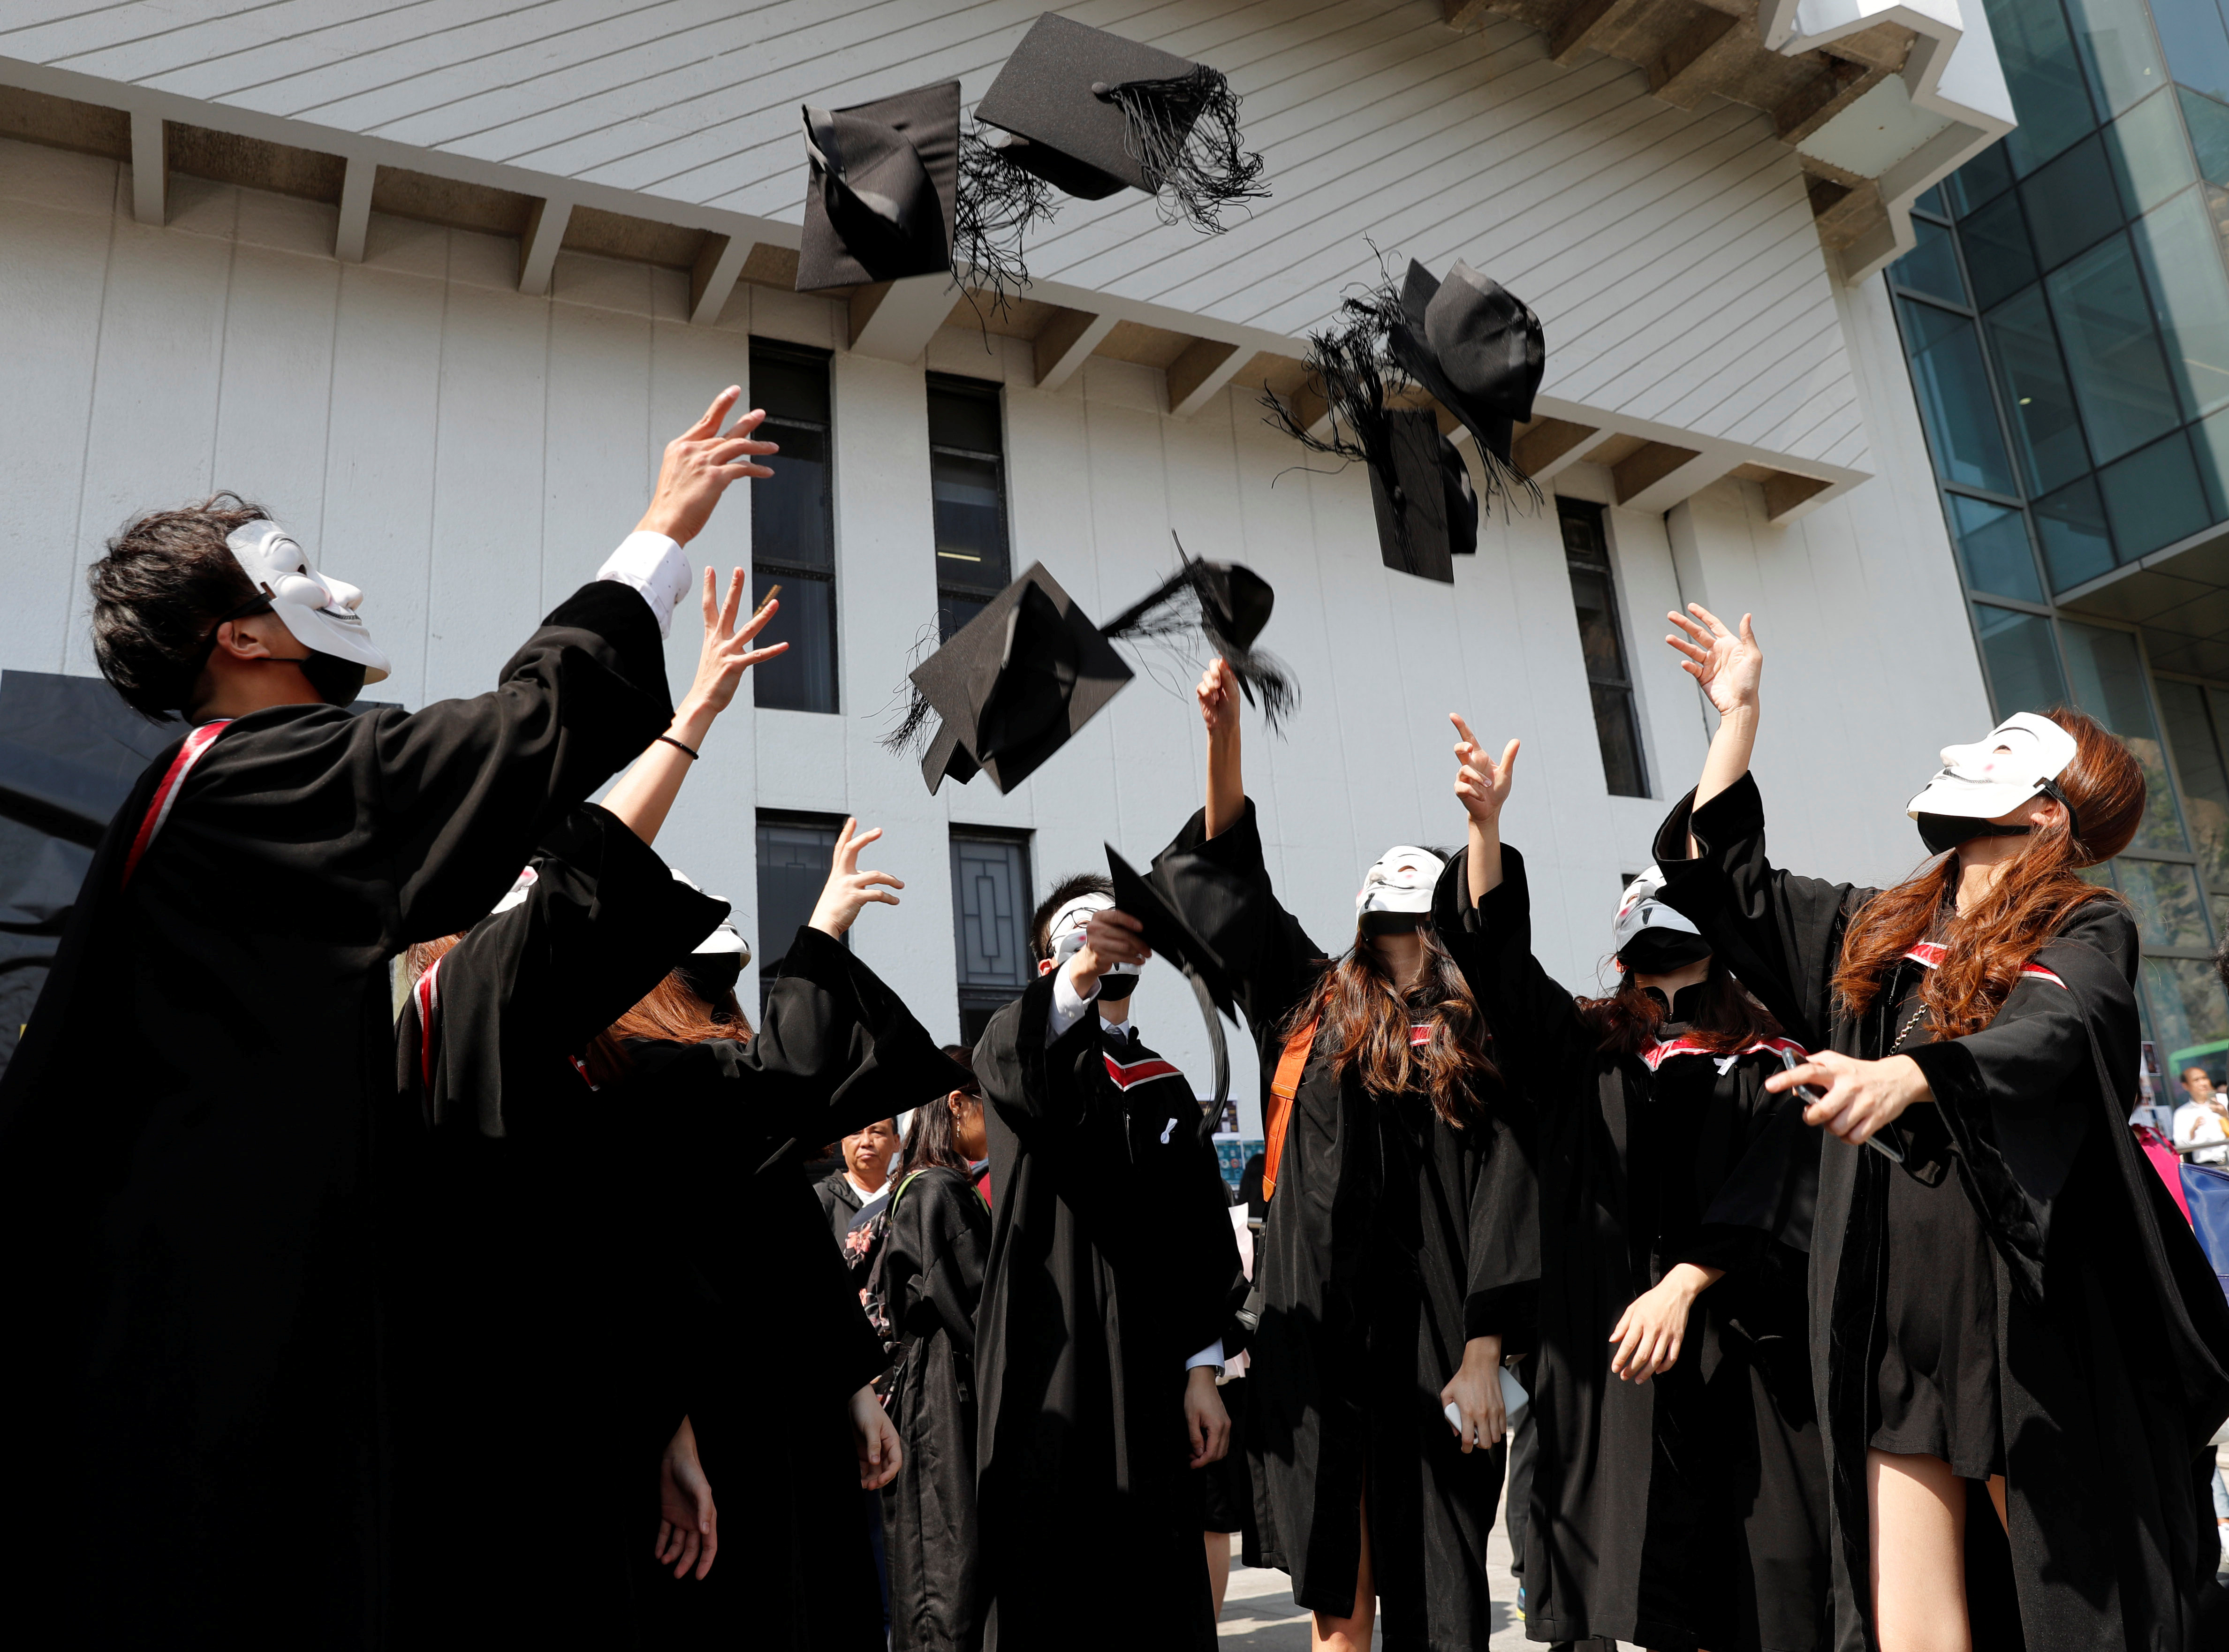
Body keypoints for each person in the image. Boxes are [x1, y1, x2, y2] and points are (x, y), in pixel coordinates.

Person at [0, 387, 777, 1645]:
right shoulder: (238, 782)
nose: (340, 591)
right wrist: (660, 533)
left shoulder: (206, 812)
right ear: (239, 635)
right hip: (217, 1379)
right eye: (294, 570)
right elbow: (524, 736)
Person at [1653, 603, 2229, 1650]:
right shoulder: (1876, 929)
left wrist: (1913, 1077)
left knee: (2072, 1596)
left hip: (2022, 1310)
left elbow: (2062, 1028)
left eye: (2008, 751)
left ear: (2049, 814)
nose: (1969, 752)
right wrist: (1736, 716)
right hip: (1888, 1306)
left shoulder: (2084, 926)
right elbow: (1730, 884)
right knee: (1910, 1615)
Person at [387, 565, 782, 1643]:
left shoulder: (490, 1041)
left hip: (541, 1427)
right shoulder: (463, 997)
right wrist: (692, 716)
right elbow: (588, 873)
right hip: (502, 1444)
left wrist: (668, 1436)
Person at [1161, 659, 1539, 1652]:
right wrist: (1223, 742)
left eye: (1420, 922)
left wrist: (1487, 1349)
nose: (1400, 937)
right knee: (1341, 1596)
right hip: (1327, 1344)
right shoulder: (1314, 1008)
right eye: (1386, 921)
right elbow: (1233, 880)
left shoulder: (1479, 1032)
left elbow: (1510, 1182)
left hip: (1443, 1341)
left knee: (1448, 1595)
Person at [1439, 716, 1827, 1651]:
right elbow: (1502, 973)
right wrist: (1486, 837)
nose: (1658, 958)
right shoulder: (1592, 1055)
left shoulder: (1776, 1057)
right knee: (1650, 1592)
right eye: (1644, 943)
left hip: (1746, 1361)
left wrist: (1691, 1278)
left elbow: (1783, 1191)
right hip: (1624, 1367)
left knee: (1767, 1594)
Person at [592, 814, 962, 1652]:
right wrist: (825, 926)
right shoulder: (638, 1079)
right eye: (697, 974)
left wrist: (855, 1390)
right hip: (705, 1415)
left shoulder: (712, 1084)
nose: (718, 996)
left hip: (787, 1411)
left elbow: (800, 1250)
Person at [971, 875, 1242, 1652]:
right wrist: (1075, 983)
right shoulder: (1028, 1055)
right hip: (1046, 1361)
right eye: (1074, 930)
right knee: (1051, 1576)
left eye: (1108, 929)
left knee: (1154, 1582)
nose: (1094, 941)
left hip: (1153, 1372)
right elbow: (1022, 1058)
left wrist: (1202, 1371)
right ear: (1044, 958)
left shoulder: (1167, 1085)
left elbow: (1200, 1240)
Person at [878, 1049, 994, 1652]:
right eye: (988, 1105)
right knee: (944, 1586)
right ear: (958, 1104)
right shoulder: (941, 1191)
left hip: (934, 1400)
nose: (994, 1122)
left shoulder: (920, 1188)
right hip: (939, 1409)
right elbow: (979, 1312)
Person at [823, 1114, 902, 1282]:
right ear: (843, 1145)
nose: (866, 1142)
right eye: (855, 1133)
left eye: (877, 1132)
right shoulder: (824, 1198)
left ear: (897, 1142)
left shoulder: (905, 1198)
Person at [2175, 1065, 2229, 1166]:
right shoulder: (2182, 1113)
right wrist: (2193, 1130)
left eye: (2205, 1078)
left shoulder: (2225, 1100)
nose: (2203, 1083)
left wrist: (2225, 1115)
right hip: (2208, 1166)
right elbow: (2180, 1145)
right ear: (2186, 1086)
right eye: (2197, 1080)